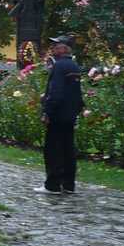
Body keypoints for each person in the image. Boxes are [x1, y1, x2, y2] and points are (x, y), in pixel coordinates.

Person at [37, 36, 84, 194]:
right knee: (68, 149)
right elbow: (76, 93)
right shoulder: (74, 66)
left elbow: (56, 93)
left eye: (57, 46)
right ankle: (68, 184)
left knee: (53, 150)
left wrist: (47, 112)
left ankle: (53, 185)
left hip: (57, 114)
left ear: (65, 49)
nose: (54, 48)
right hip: (70, 114)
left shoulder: (59, 66)